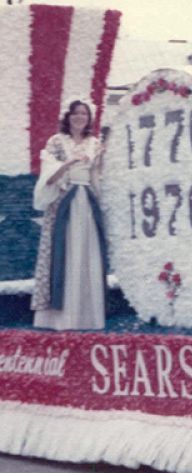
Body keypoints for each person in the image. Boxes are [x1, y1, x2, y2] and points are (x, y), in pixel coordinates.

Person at [31, 99, 107, 330]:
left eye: (84, 113)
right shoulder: (56, 142)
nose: (79, 117)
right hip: (63, 202)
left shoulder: (95, 143)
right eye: (75, 113)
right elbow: (49, 178)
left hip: (87, 203)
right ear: (68, 116)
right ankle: (60, 316)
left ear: (89, 118)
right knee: (64, 251)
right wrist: (68, 163)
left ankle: (86, 315)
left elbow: (96, 176)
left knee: (86, 252)